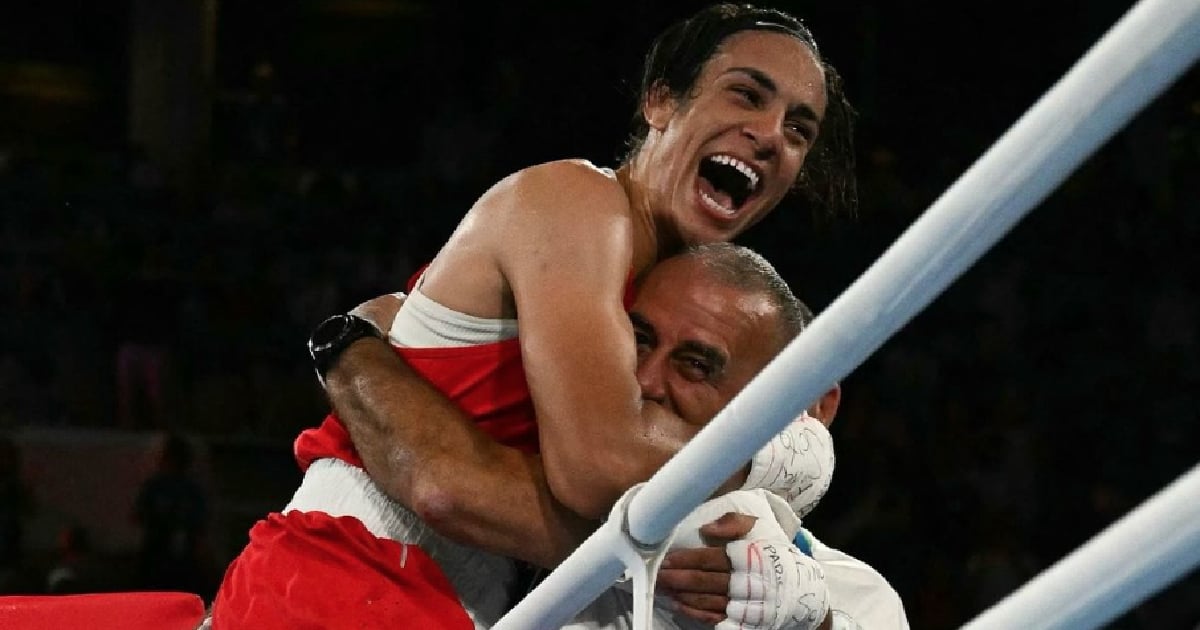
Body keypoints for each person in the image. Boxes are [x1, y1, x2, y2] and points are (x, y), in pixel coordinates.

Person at [213, 1, 855, 627]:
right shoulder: (582, 204)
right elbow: (599, 464)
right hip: (344, 581)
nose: (771, 135)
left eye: (798, 129)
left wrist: (742, 574)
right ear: (660, 100)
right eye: (746, 95)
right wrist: (772, 453)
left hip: (442, 600)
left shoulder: (649, 287)